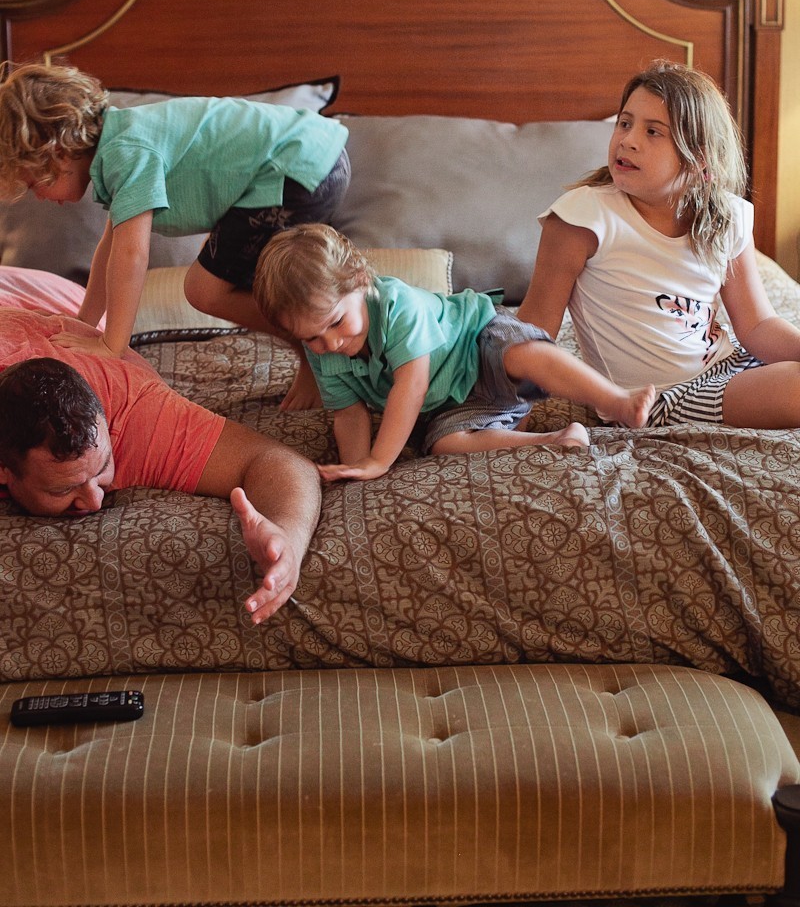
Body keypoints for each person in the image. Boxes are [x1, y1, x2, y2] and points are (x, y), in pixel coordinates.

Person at [0, 61, 351, 408]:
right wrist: (84, 324)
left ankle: (317, 347)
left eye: (33, 184)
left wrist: (111, 345)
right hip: (311, 158)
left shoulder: (125, 153)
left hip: (296, 168)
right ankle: (316, 349)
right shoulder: (121, 142)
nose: (40, 197)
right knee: (252, 284)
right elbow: (110, 248)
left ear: (59, 154)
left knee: (205, 290)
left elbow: (131, 255)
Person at [252, 223, 655, 482]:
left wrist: (380, 461)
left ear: (360, 281)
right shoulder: (324, 351)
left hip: (477, 343)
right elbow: (349, 413)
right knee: (443, 443)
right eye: (311, 338)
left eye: (337, 323)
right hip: (453, 400)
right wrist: (356, 467)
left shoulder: (398, 307)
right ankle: (555, 439)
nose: (330, 344)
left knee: (522, 353)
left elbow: (411, 387)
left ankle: (616, 400)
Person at [0, 302, 322, 626]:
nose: (95, 501)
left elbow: (279, 461)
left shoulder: (135, 414)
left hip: (45, 314)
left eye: (102, 469)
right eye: (63, 489)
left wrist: (287, 537)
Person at [518, 59, 800, 428]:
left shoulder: (725, 217)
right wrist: (508, 423)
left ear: (699, 158)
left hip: (728, 368)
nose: (628, 140)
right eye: (625, 123)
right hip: (657, 397)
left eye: (653, 132)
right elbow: (533, 332)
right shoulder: (583, 218)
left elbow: (758, 325)